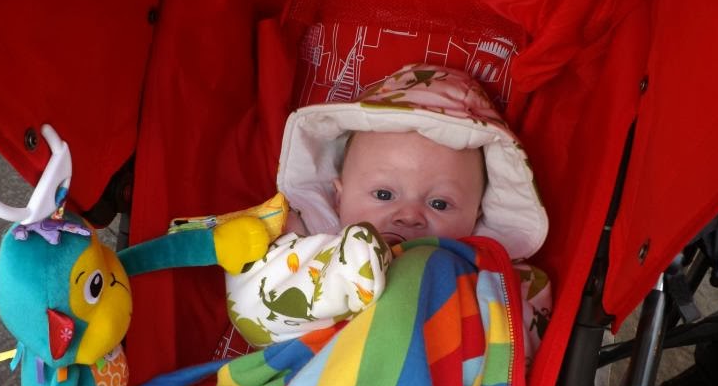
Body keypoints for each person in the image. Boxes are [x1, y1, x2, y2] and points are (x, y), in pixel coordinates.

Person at [225, 63, 551, 352]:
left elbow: (515, 352)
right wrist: (336, 272)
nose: (409, 215)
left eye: (439, 203)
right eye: (383, 194)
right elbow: (253, 316)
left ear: (476, 214)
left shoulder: (490, 274)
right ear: (339, 197)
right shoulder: (306, 243)